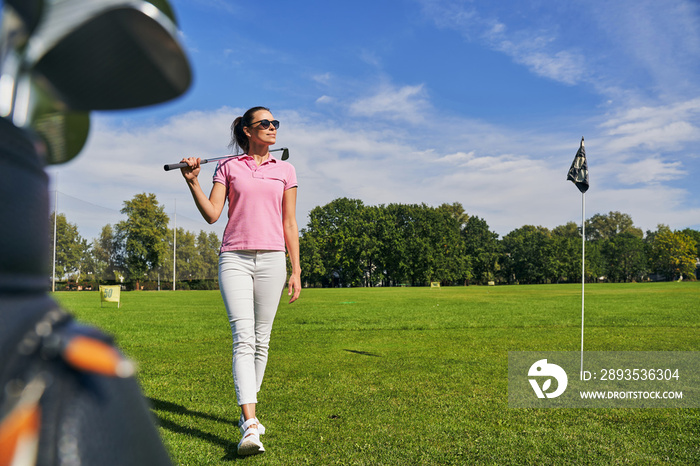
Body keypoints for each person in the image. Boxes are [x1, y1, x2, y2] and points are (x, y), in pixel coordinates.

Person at [179, 106, 301, 456]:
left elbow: (290, 223)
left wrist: (296, 269)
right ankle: (250, 424)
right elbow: (213, 215)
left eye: (275, 123)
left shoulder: (286, 170)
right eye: (265, 124)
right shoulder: (228, 166)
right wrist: (192, 182)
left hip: (274, 260)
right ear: (247, 131)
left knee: (262, 341)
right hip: (235, 257)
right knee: (243, 338)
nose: (272, 128)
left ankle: (250, 411)